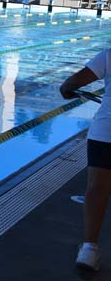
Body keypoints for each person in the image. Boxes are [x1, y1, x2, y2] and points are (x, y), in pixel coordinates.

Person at [60, 51, 111, 272]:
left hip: (107, 131)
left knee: (97, 188)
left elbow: (72, 83)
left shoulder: (109, 56)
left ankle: (89, 250)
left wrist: (67, 90)